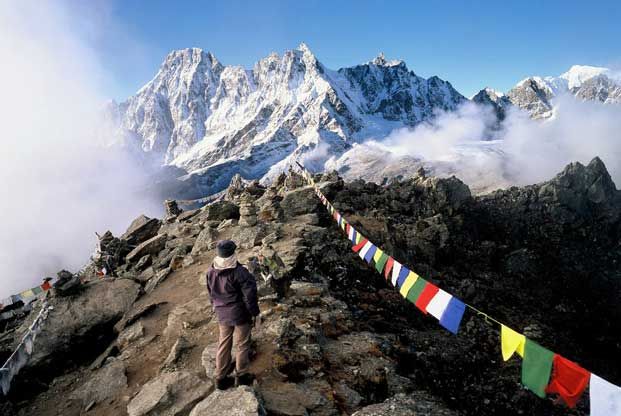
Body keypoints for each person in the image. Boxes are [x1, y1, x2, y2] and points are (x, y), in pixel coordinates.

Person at [206, 240, 260, 390]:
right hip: (239, 313)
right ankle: (241, 376)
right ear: (232, 253)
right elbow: (250, 296)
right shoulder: (240, 272)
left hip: (222, 313)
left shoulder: (211, 271)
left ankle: (220, 378)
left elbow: (211, 293)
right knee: (242, 344)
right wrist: (254, 313)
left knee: (224, 343)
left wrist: (216, 307)